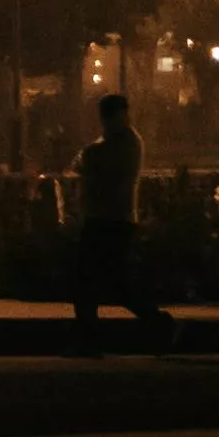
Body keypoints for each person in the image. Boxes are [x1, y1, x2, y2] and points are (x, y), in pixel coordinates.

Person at [68, 92, 175, 344]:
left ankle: (157, 322)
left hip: (111, 218)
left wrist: (88, 158)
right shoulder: (120, 141)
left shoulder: (125, 143)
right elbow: (84, 162)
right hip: (107, 217)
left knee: (102, 282)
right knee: (99, 281)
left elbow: (85, 161)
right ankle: (92, 336)